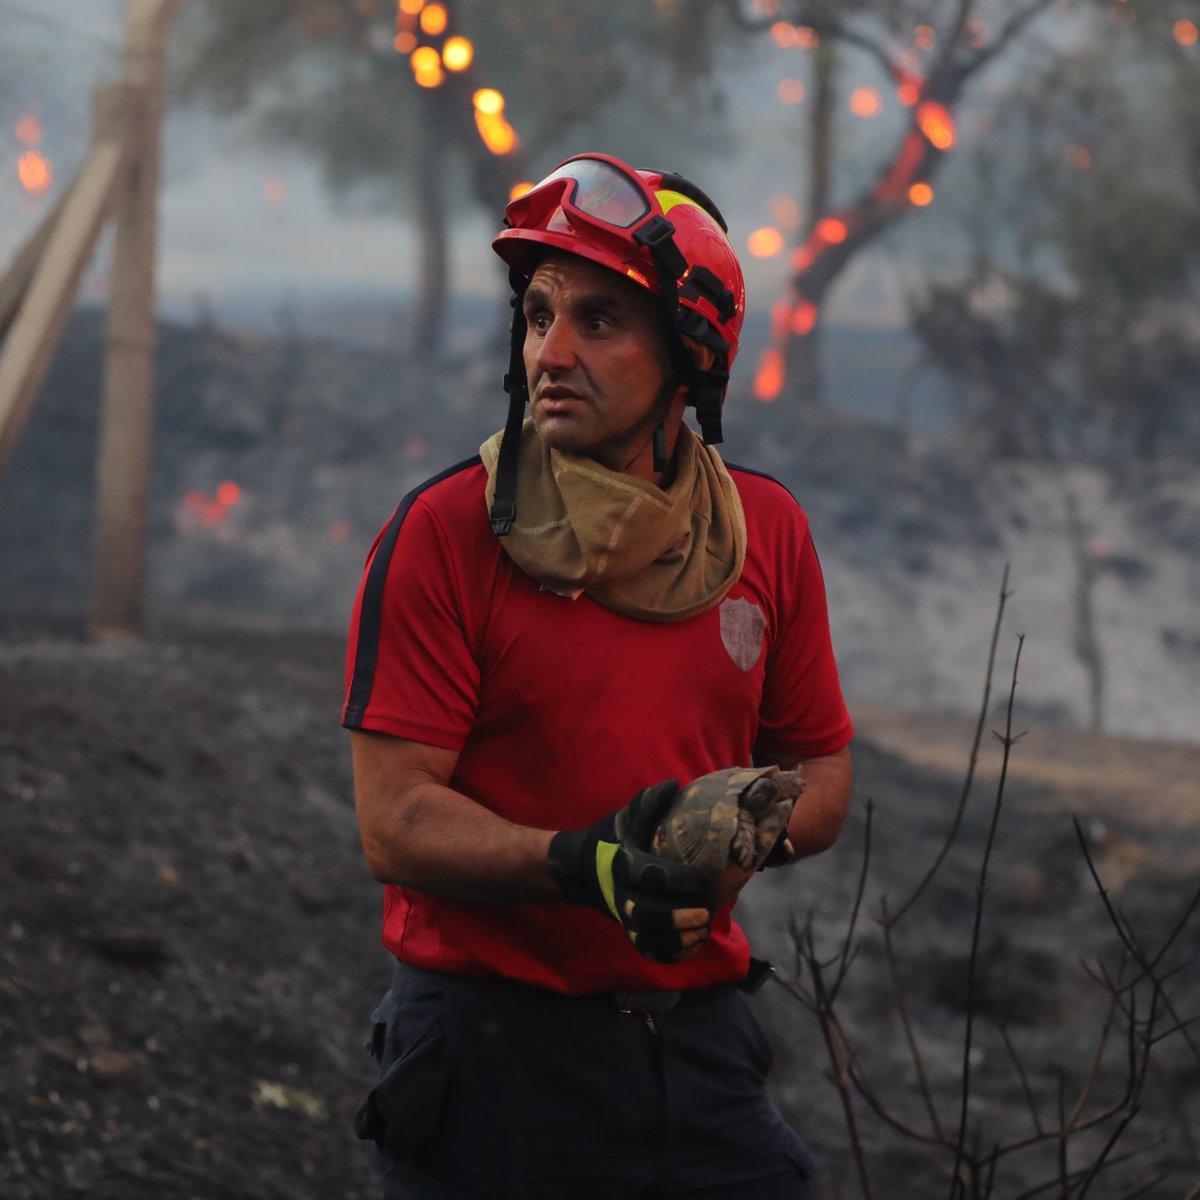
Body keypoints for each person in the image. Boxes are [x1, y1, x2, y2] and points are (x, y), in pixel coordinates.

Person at [342, 152, 854, 1199]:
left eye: (600, 320)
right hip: (491, 1062)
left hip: (700, 1054)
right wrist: (593, 866)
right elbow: (395, 823)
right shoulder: (446, 535)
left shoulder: (767, 535)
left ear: (689, 353)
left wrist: (742, 829)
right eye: (537, 315)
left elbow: (823, 771)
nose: (552, 352)